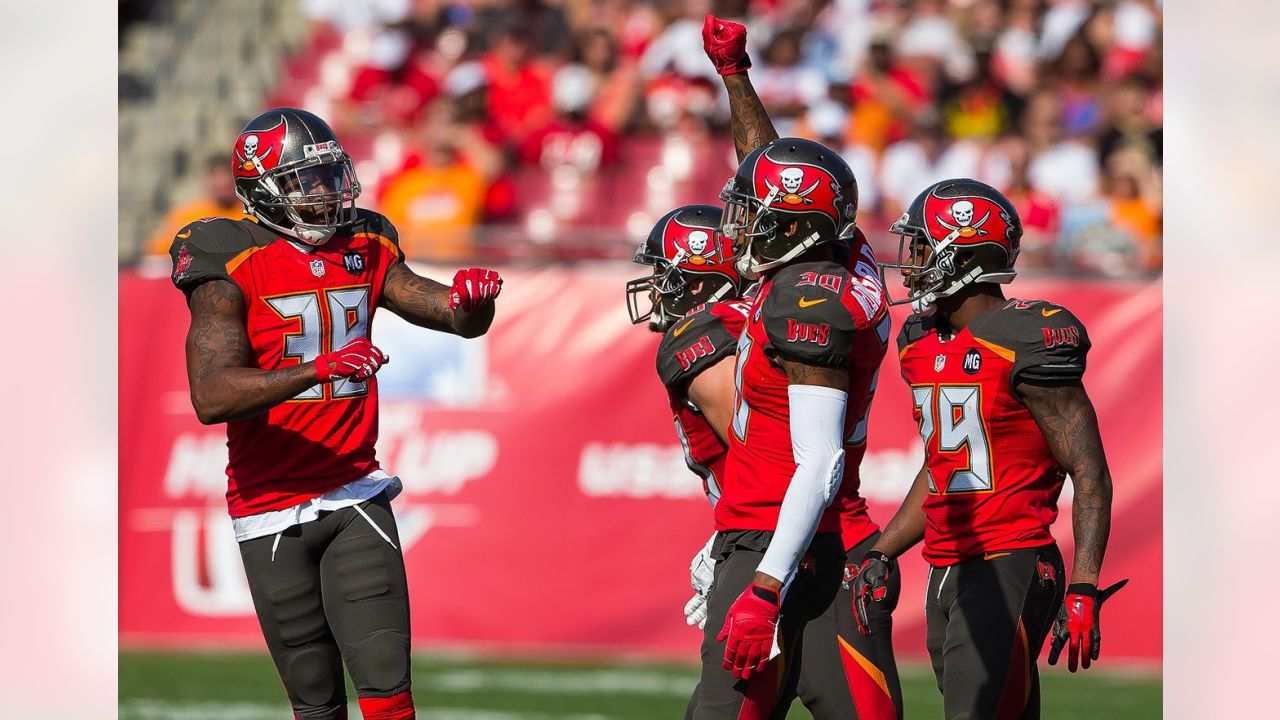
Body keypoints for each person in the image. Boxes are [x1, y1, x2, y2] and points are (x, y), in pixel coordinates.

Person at [168, 107, 503, 720]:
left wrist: (470, 304)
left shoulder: (367, 241)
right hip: (267, 507)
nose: (325, 192)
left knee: (388, 696)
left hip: (353, 491)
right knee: (316, 707)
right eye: (305, 180)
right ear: (261, 189)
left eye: (328, 176)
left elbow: (445, 312)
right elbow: (210, 395)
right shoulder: (226, 255)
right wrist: (316, 370)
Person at [854, 178, 1125, 719]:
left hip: (1011, 560)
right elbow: (944, 467)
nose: (911, 263)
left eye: (925, 247)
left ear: (965, 253)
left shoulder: (1025, 336)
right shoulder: (919, 340)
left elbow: (1088, 468)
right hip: (947, 562)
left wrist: (1085, 585)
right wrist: (882, 550)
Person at [699, 17, 903, 719]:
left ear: (795, 229)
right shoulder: (843, 253)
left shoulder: (803, 301)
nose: (741, 226)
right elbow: (774, 166)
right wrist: (735, 74)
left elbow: (816, 463)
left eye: (756, 216)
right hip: (830, 537)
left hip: (784, 540)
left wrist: (760, 587)